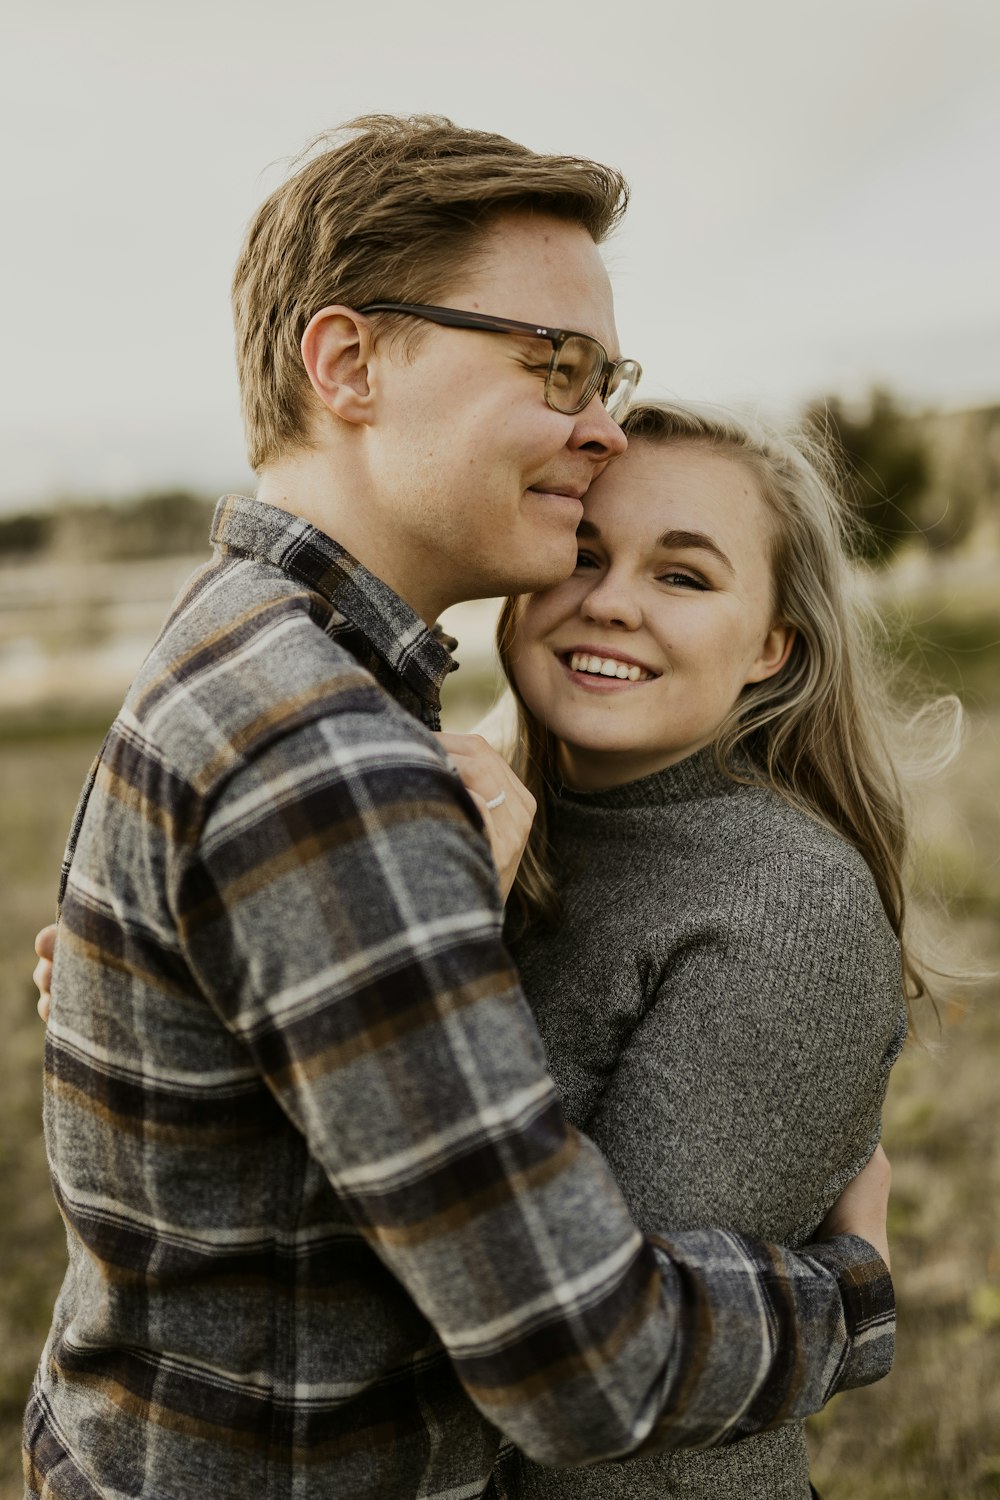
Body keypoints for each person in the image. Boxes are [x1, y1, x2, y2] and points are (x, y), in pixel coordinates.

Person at [24, 117, 895, 1500]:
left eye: (609, 376)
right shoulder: (335, 760)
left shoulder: (238, 636)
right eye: (556, 367)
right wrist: (848, 1300)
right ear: (350, 362)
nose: (599, 424)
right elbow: (580, 1362)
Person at [449, 399, 942, 1499]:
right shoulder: (473, 815)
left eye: (682, 576)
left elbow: (600, 1359)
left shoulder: (784, 900)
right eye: (581, 552)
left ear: (773, 644)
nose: (610, 601)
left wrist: (441, 969)